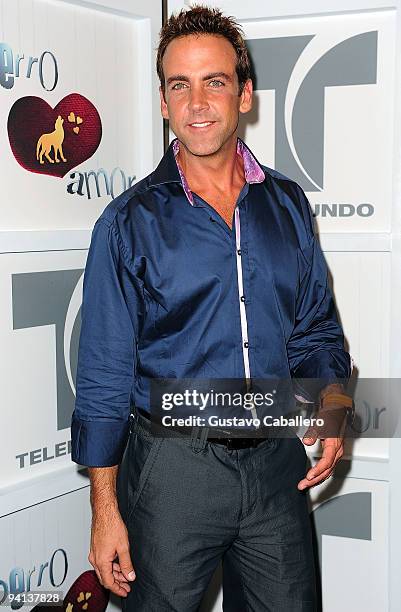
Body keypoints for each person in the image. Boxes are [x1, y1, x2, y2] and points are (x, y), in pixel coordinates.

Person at [70, 5, 354, 611]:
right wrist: (104, 512)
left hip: (276, 467)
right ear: (166, 103)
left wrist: (331, 406)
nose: (198, 101)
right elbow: (103, 376)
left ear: (244, 94)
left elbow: (315, 329)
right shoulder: (127, 224)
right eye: (181, 85)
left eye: (215, 81)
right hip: (172, 473)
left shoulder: (287, 206)